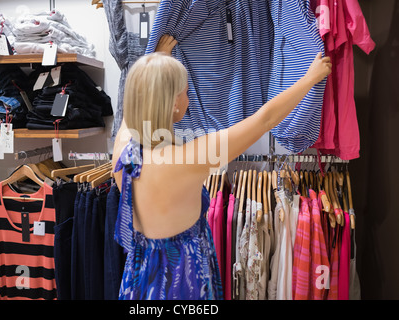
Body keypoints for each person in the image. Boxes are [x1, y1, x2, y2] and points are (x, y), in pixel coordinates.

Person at [112, 35, 332, 300]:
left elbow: (134, 102)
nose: (188, 98)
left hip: (140, 278)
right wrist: (310, 78)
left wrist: (158, 59)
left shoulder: (122, 152)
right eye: (185, 92)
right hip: (184, 281)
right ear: (172, 103)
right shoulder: (191, 159)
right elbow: (265, 119)